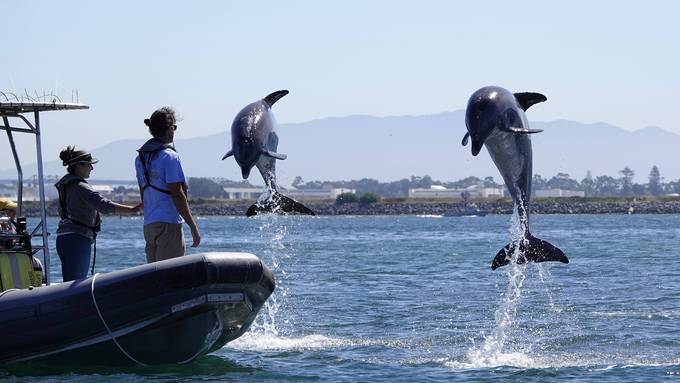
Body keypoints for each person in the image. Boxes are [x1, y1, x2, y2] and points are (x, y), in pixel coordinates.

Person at [55, 146, 142, 281]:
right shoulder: (81, 187)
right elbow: (104, 206)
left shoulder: (66, 186)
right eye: (89, 165)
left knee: (69, 282)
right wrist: (132, 210)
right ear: (78, 166)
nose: (92, 168)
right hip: (77, 238)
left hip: (63, 238)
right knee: (76, 285)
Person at [135, 107, 200, 263]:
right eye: (174, 127)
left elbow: (143, 193)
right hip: (168, 224)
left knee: (154, 276)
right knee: (171, 276)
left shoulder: (140, 158)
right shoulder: (169, 156)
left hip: (149, 225)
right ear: (169, 128)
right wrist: (193, 226)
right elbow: (177, 195)